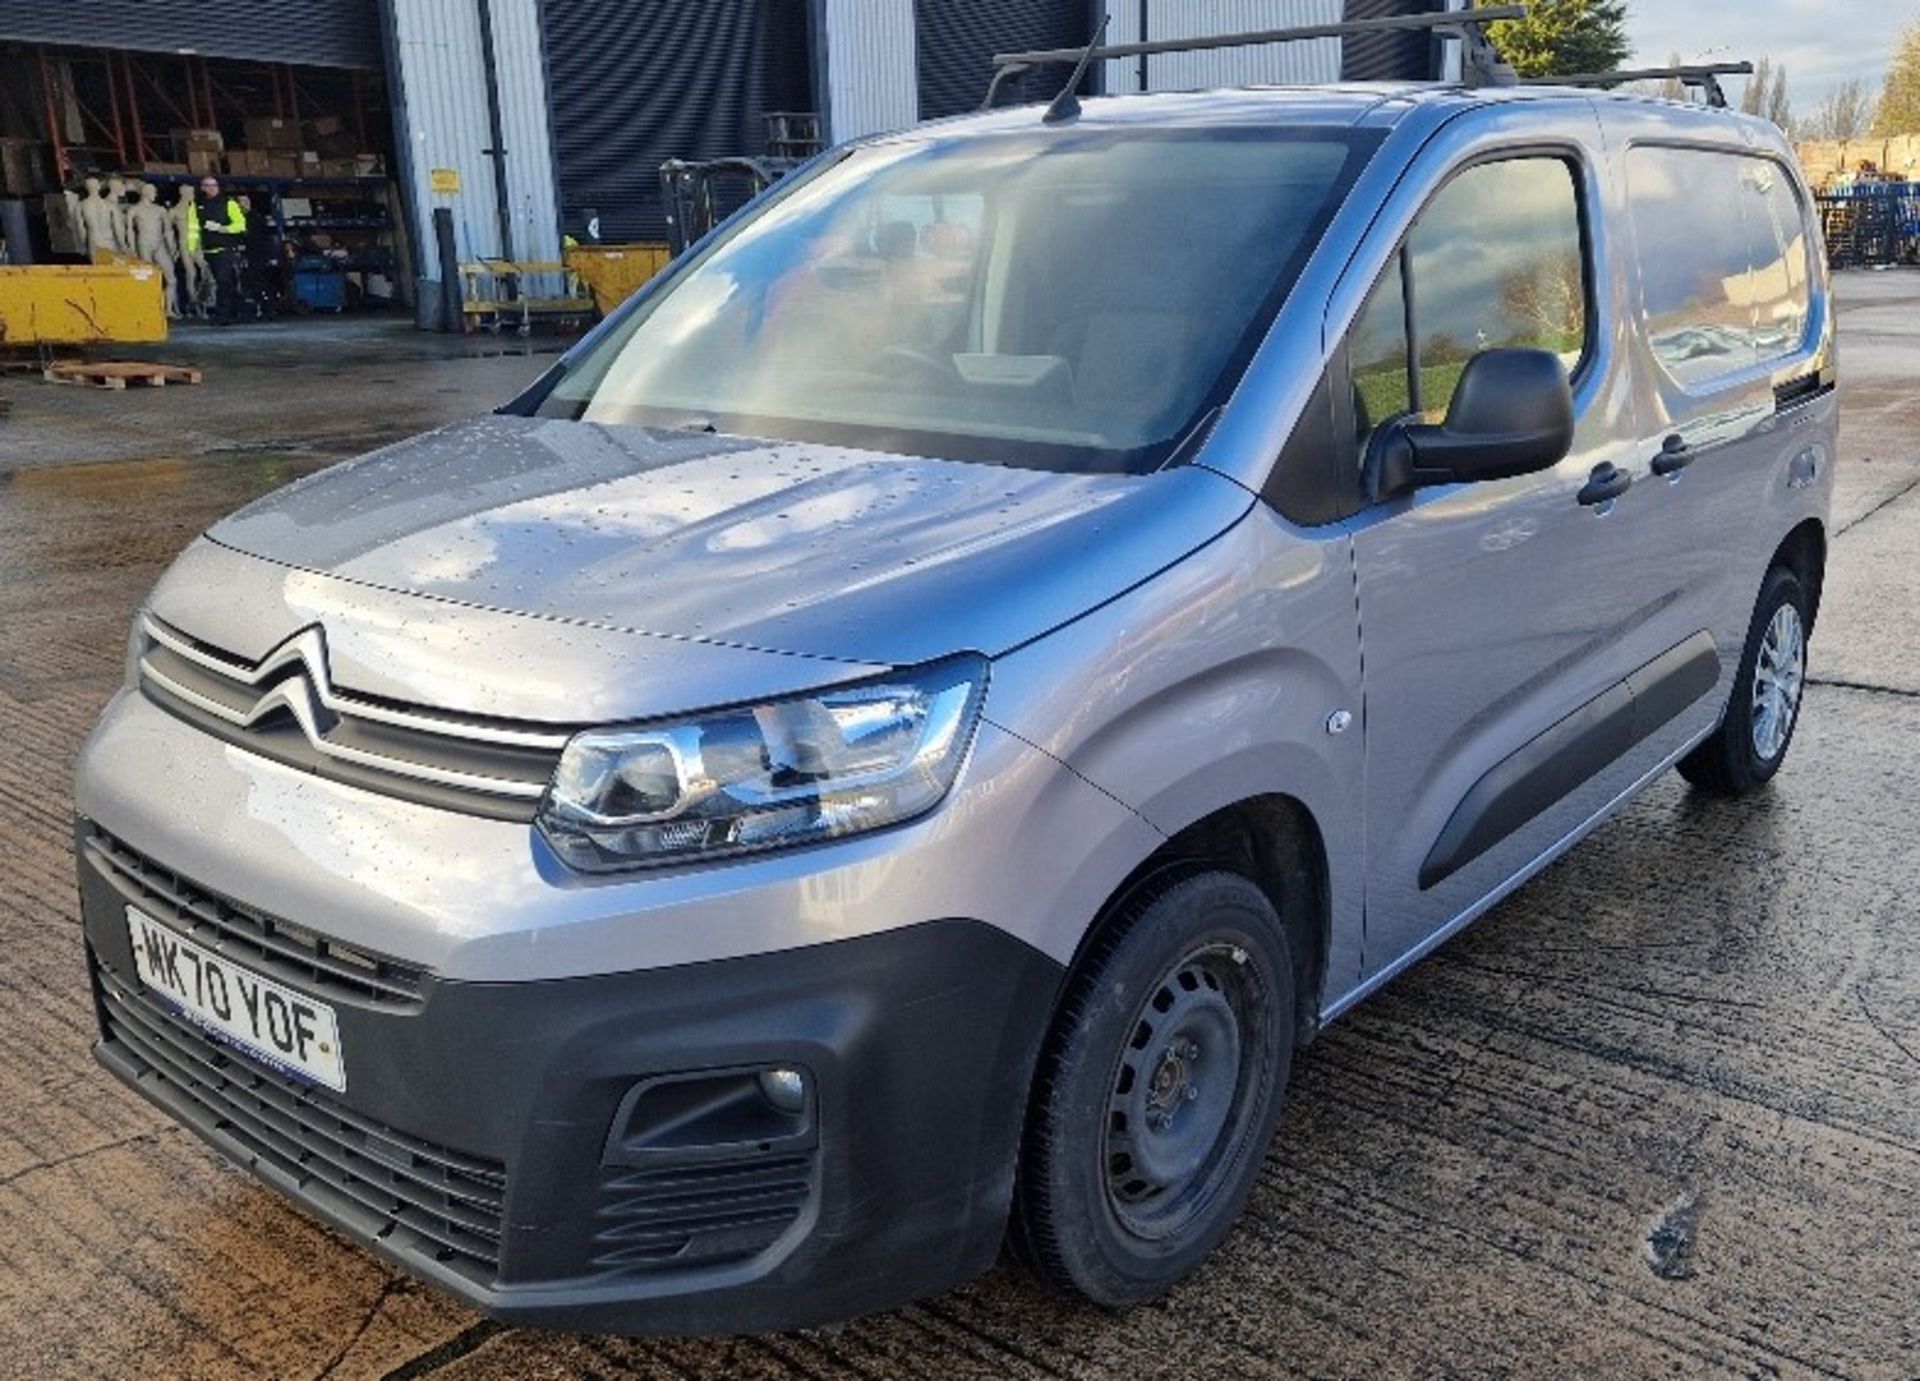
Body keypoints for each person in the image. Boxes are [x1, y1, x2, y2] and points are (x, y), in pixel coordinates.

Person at [199, 175, 249, 325]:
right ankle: (237, 311)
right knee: (222, 283)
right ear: (202, 188)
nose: (211, 188)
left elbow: (240, 225)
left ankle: (224, 315)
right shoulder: (196, 205)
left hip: (224, 249)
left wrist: (222, 228)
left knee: (223, 281)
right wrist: (193, 248)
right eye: (207, 185)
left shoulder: (229, 204)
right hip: (208, 250)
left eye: (213, 185)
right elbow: (192, 229)